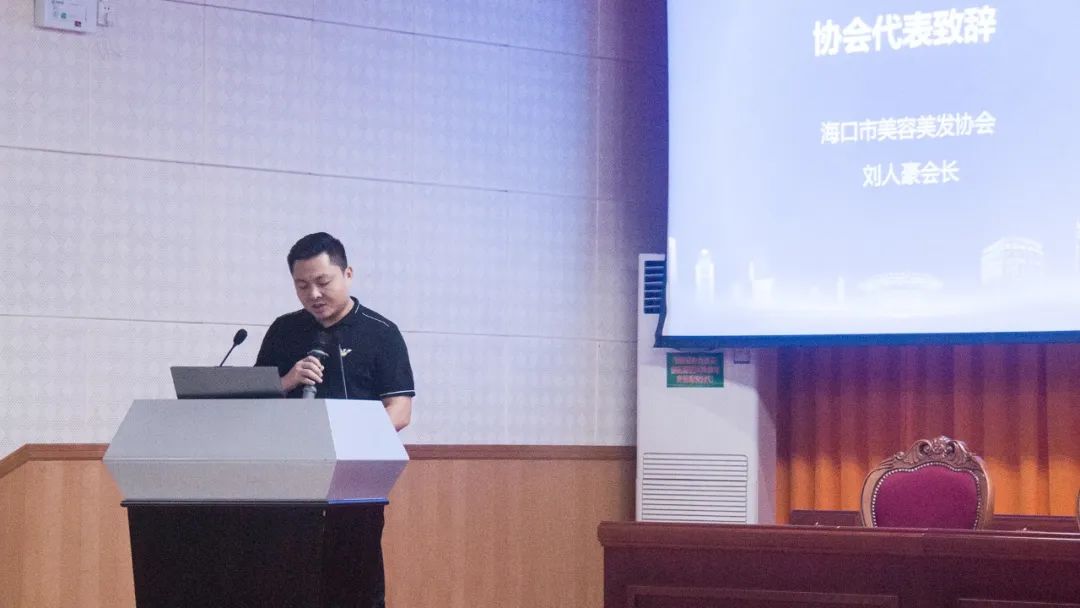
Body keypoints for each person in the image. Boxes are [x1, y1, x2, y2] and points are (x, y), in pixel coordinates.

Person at [256, 231, 414, 608]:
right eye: (302, 286)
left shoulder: (381, 333)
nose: (313, 294)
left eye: (323, 282)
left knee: (355, 588)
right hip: (289, 484)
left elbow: (400, 411)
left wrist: (344, 442)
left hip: (355, 482)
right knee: (287, 586)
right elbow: (256, 404)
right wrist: (286, 381)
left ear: (348, 274)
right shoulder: (283, 331)